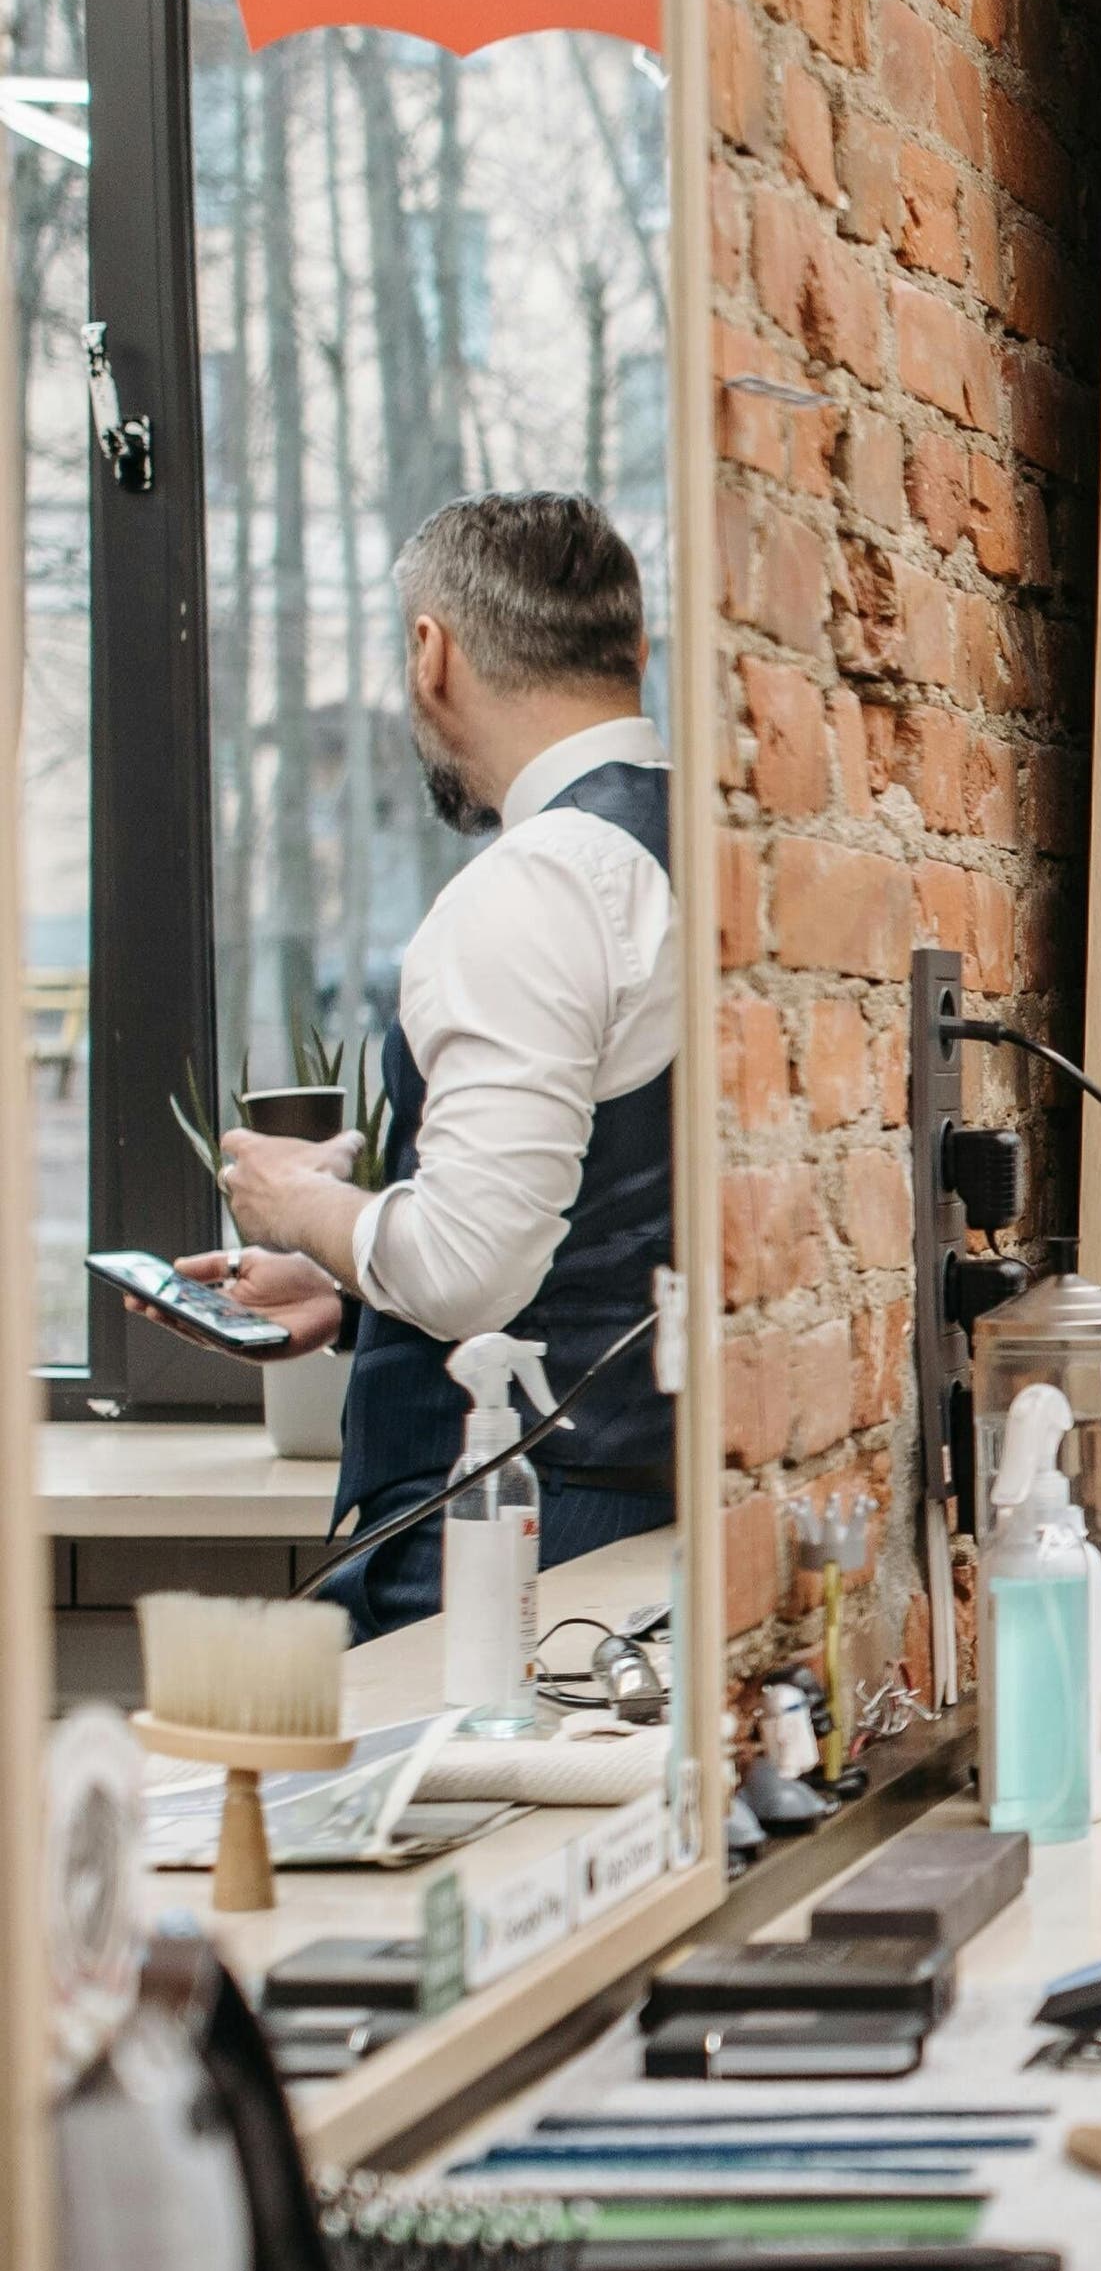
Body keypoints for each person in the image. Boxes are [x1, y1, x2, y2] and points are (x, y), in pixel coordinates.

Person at [184, 491, 678, 1637]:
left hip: (516, 1549)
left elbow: (470, 1270)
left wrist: (297, 1203)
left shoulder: (539, 882)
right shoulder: (713, 847)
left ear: (431, 652)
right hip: (642, 1529)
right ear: (634, 654)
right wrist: (351, 1287)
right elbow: (605, 1211)